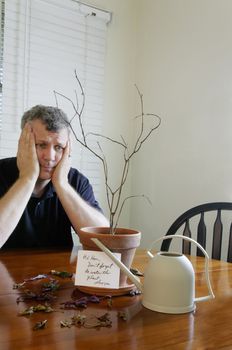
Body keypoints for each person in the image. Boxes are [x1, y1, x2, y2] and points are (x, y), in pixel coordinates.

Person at [0, 105, 109, 249]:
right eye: (41, 145)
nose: (50, 157)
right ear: (23, 143)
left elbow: (104, 243)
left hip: (58, 271)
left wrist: (62, 184)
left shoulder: (76, 181)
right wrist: (27, 179)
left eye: (58, 147)